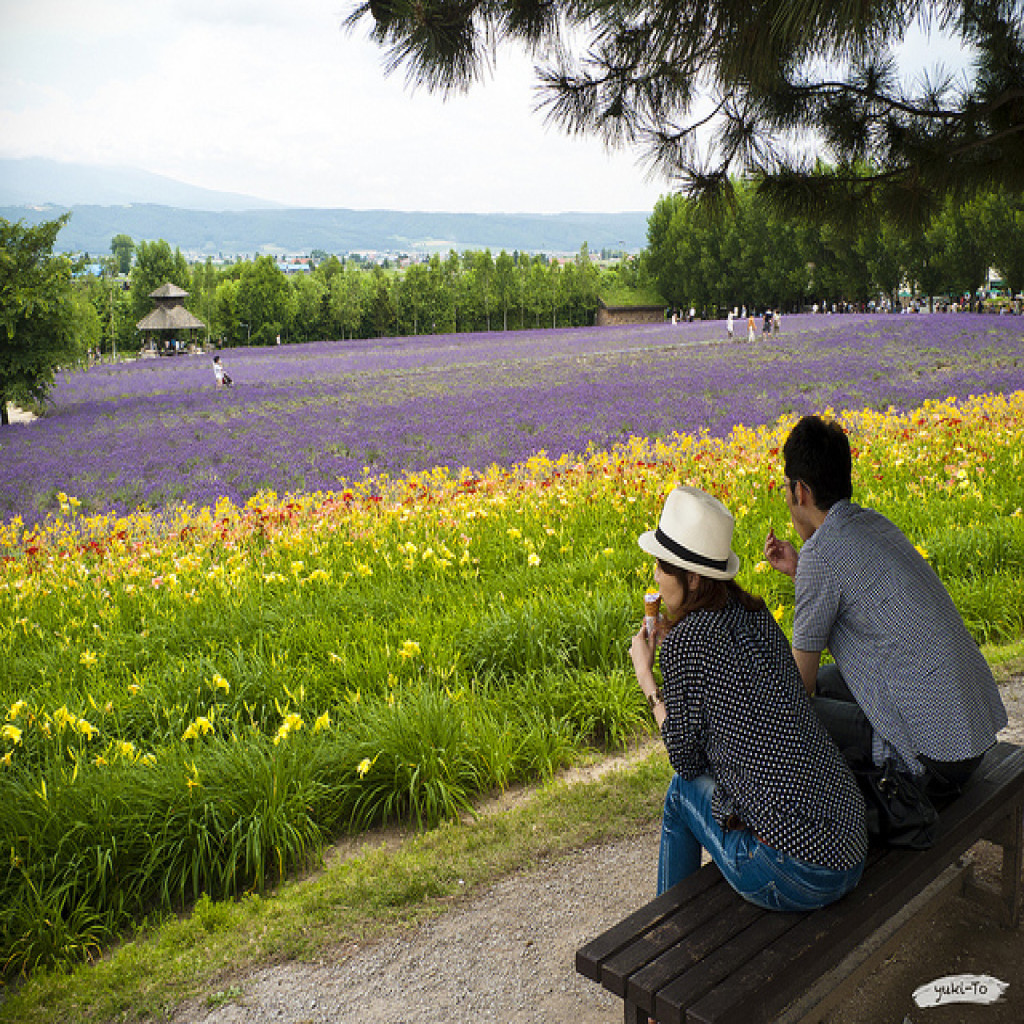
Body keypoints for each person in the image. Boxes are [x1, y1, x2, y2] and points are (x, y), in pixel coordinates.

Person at [629, 485, 867, 909]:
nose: (656, 577)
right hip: (849, 845)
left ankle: (665, 932)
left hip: (798, 874)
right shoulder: (755, 615)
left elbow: (686, 761)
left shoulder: (688, 643)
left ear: (693, 577)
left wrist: (648, 679)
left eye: (663, 566)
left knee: (680, 793)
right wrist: (677, 652)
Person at [764, 416, 1007, 795]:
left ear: (801, 492)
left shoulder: (820, 554)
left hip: (934, 762)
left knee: (785, 711)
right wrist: (801, 567)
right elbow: (857, 602)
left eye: (786, 488)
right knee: (830, 683)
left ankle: (807, 828)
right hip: (970, 736)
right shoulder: (874, 524)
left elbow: (800, 685)